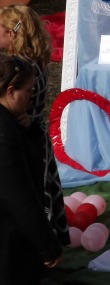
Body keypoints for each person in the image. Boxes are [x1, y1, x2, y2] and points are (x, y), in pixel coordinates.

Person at [0, 5, 70, 246]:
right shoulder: (36, 59)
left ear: (11, 33)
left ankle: (37, 240)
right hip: (37, 131)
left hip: (22, 134)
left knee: (28, 192)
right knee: (42, 184)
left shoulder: (19, 68)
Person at [0, 54, 63, 284]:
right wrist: (48, 245)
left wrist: (29, 131)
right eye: (28, 90)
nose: (31, 97)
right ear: (11, 92)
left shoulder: (12, 122)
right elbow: (19, 198)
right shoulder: (5, 132)